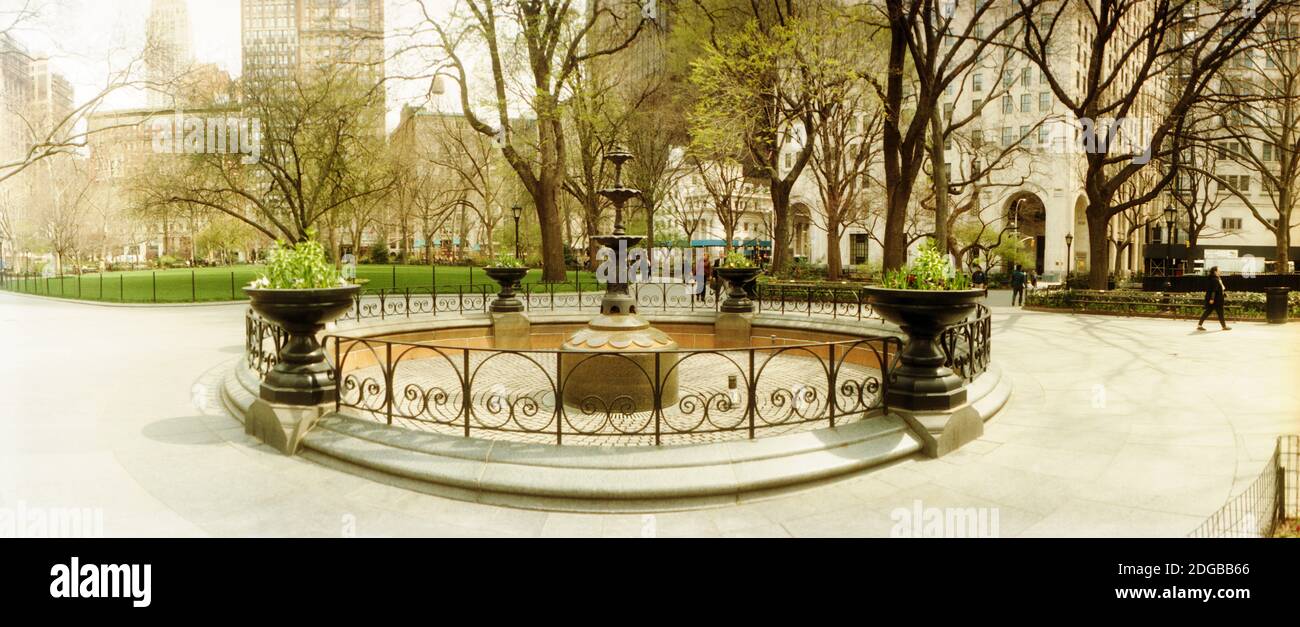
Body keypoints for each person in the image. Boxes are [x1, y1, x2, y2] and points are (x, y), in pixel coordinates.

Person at [1197, 266, 1232, 331]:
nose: (1220, 271)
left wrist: (1223, 293)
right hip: (1216, 300)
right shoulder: (1215, 280)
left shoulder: (1216, 278)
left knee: (1208, 312)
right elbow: (1214, 290)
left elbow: (1219, 289)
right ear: (1215, 272)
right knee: (1219, 313)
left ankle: (1199, 325)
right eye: (1219, 270)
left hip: (1216, 299)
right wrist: (1212, 299)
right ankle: (1224, 326)